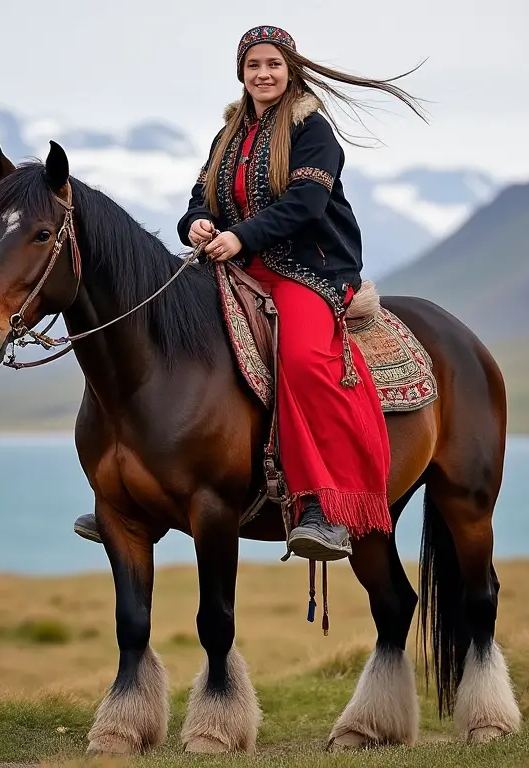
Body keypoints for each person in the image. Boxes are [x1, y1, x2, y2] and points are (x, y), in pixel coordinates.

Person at [73, 25, 425, 561]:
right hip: (234, 268)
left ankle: (322, 504)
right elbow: (200, 199)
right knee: (163, 343)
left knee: (306, 360)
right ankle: (135, 493)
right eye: (254, 65)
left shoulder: (314, 133)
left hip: (306, 272)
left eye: (273, 65)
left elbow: (305, 204)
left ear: (291, 71)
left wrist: (240, 235)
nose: (263, 74)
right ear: (242, 73)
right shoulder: (228, 138)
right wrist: (195, 225)